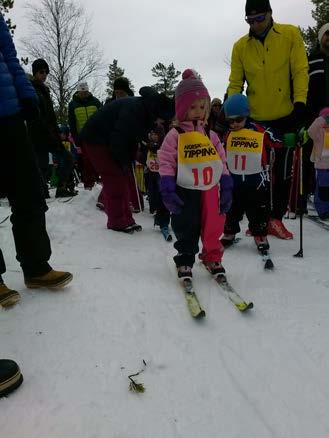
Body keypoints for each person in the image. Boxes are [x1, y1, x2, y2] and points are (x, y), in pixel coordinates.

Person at [0, 13, 72, 291]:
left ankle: (36, 267)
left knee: (29, 190)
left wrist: (26, 93)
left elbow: (9, 55)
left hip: (9, 111)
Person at [227, 0, 309, 239]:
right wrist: (234, 112)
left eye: (259, 19)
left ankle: (276, 219)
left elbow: (300, 70)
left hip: (286, 115)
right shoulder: (240, 46)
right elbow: (235, 83)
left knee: (283, 171)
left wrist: (301, 104)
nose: (255, 24)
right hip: (254, 119)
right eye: (249, 21)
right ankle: (258, 219)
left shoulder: (290, 34)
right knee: (255, 174)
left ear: (270, 14)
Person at [158, 69, 232, 279]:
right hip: (185, 188)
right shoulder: (176, 135)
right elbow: (166, 160)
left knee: (213, 223)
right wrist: (167, 184)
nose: (198, 111)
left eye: (202, 106)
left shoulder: (211, 135)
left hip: (210, 188)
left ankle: (212, 255)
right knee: (186, 223)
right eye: (193, 107)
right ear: (182, 108)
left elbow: (221, 159)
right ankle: (185, 257)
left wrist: (226, 182)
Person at [79, 86, 174, 233]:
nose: (161, 123)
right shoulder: (135, 111)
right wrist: (124, 161)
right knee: (115, 178)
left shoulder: (145, 111)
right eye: (162, 119)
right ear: (158, 112)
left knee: (124, 177)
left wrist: (128, 161)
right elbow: (120, 138)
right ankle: (116, 221)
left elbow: (132, 139)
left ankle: (126, 219)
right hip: (95, 140)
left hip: (109, 141)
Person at [221, 94, 282, 250]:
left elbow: (275, 141)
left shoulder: (258, 129)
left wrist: (284, 139)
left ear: (246, 115)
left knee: (257, 209)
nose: (234, 124)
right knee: (232, 208)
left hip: (256, 180)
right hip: (234, 179)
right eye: (230, 120)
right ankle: (229, 232)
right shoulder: (229, 133)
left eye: (238, 119)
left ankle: (260, 233)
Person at [28, 59, 75, 198]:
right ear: (35, 73)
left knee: (67, 158)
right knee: (41, 164)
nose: (44, 75)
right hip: (37, 134)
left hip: (51, 134)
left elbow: (50, 115)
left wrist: (56, 131)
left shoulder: (45, 90)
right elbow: (34, 114)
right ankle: (41, 191)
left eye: (46, 72)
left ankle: (61, 187)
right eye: (41, 72)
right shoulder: (30, 89)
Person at [68, 82, 102, 190]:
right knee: (86, 160)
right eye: (81, 92)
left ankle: (99, 180)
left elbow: (102, 117)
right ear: (78, 92)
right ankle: (88, 183)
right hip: (82, 136)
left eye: (85, 92)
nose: (83, 94)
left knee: (98, 158)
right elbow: (72, 122)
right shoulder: (73, 104)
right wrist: (75, 137)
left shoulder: (95, 102)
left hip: (96, 135)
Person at [145, 126, 172, 240]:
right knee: (154, 195)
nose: (153, 136)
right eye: (152, 134)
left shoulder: (164, 146)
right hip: (152, 175)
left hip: (162, 176)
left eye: (155, 134)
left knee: (163, 198)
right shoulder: (148, 146)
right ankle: (158, 216)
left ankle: (164, 220)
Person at [308, 108, 329, 220]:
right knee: (323, 189)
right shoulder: (319, 132)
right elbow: (310, 131)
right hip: (322, 166)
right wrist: (321, 119)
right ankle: (323, 210)